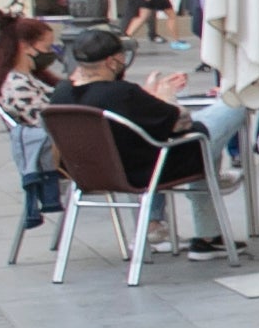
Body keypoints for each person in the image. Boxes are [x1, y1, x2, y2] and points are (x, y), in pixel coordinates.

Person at [43, 29, 247, 256]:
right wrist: (166, 97)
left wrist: (148, 97)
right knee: (232, 107)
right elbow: (181, 121)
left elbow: (139, 118)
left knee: (203, 137)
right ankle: (207, 228)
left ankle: (185, 231)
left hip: (90, 172)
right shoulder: (121, 93)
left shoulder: (61, 94)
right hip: (150, 169)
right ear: (112, 61)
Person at [0, 10, 66, 229]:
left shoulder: (29, 78)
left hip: (62, 148)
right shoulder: (16, 85)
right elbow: (50, 121)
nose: (51, 53)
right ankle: (151, 225)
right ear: (25, 46)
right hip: (62, 156)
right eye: (47, 47)